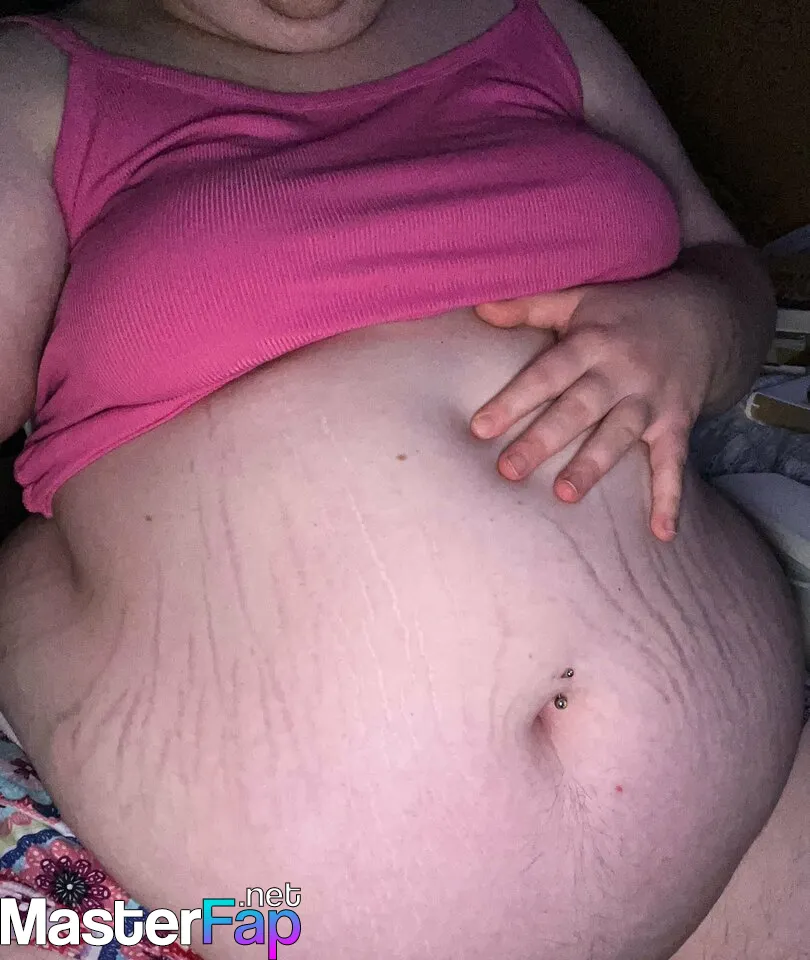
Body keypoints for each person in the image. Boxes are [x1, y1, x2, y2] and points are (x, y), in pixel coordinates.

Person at [0, 0, 805, 958]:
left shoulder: (540, 21)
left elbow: (728, 270)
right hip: (264, 915)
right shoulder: (42, 82)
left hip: (749, 817)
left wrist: (697, 321)